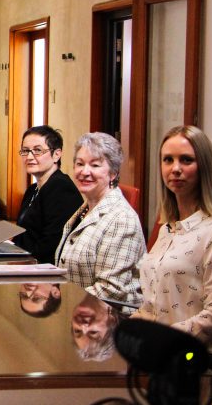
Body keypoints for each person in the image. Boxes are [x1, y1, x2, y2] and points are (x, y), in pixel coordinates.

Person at [134, 126, 212, 350]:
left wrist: (161, 340)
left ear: (203, 167)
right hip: (151, 353)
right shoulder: (167, 229)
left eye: (186, 160)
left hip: (186, 357)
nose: (175, 169)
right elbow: (150, 306)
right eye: (168, 160)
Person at [54, 132, 145, 308]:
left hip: (111, 318)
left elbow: (110, 290)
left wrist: (65, 307)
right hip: (80, 312)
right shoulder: (85, 209)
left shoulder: (121, 219)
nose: (84, 171)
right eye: (80, 164)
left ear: (113, 173)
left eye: (95, 165)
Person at [13, 126, 83, 263]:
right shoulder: (32, 189)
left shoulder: (61, 188)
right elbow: (23, 234)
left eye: (38, 150)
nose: (29, 157)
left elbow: (52, 244)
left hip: (44, 267)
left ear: (56, 154)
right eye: (25, 151)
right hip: (23, 259)